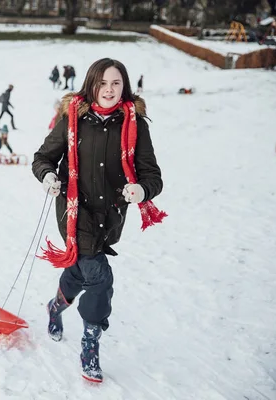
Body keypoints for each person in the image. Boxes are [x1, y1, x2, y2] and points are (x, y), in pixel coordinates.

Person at [32, 58, 166, 383]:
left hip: (111, 216)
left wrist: (141, 189)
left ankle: (55, 306)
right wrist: (48, 175)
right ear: (91, 84)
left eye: (116, 83)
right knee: (100, 279)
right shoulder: (73, 118)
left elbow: (153, 176)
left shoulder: (134, 123)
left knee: (79, 272)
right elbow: (43, 158)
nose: (109, 89)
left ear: (125, 86)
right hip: (74, 211)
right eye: (103, 83)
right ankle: (90, 344)